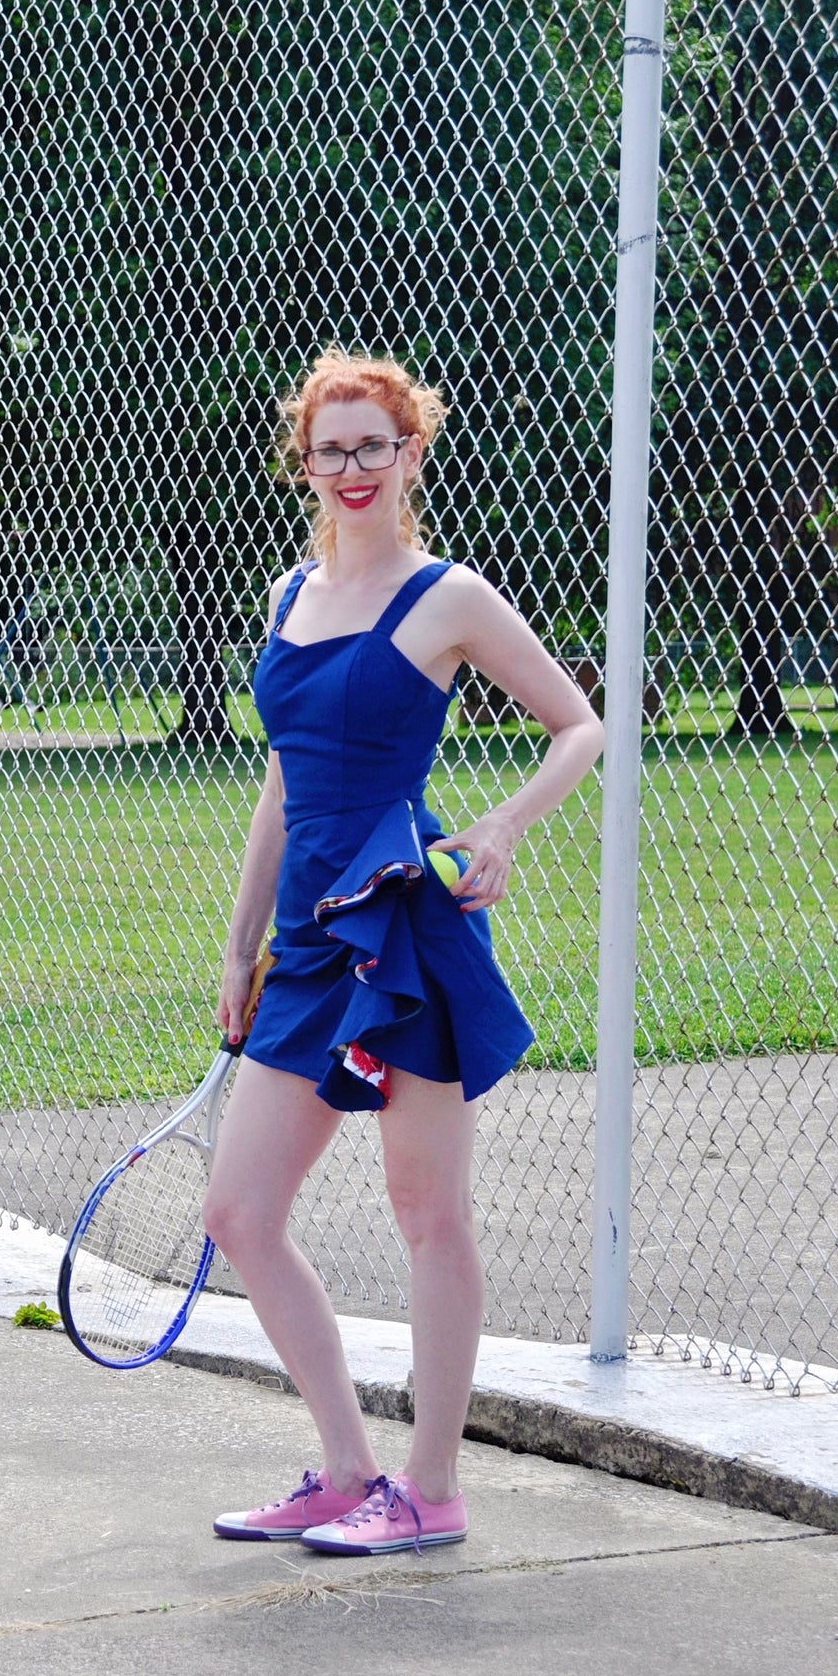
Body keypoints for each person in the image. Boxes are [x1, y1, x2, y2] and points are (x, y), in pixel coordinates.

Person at [204, 347, 605, 1555]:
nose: (351, 467)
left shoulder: (447, 596)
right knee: (238, 1210)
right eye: (329, 448)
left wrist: (498, 825)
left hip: (405, 924)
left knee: (425, 1206)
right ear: (304, 463)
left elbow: (577, 722)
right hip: (306, 940)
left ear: (409, 450)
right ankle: (342, 1466)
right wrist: (239, 947)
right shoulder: (286, 596)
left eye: (372, 444)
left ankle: (428, 1488)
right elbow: (281, 778)